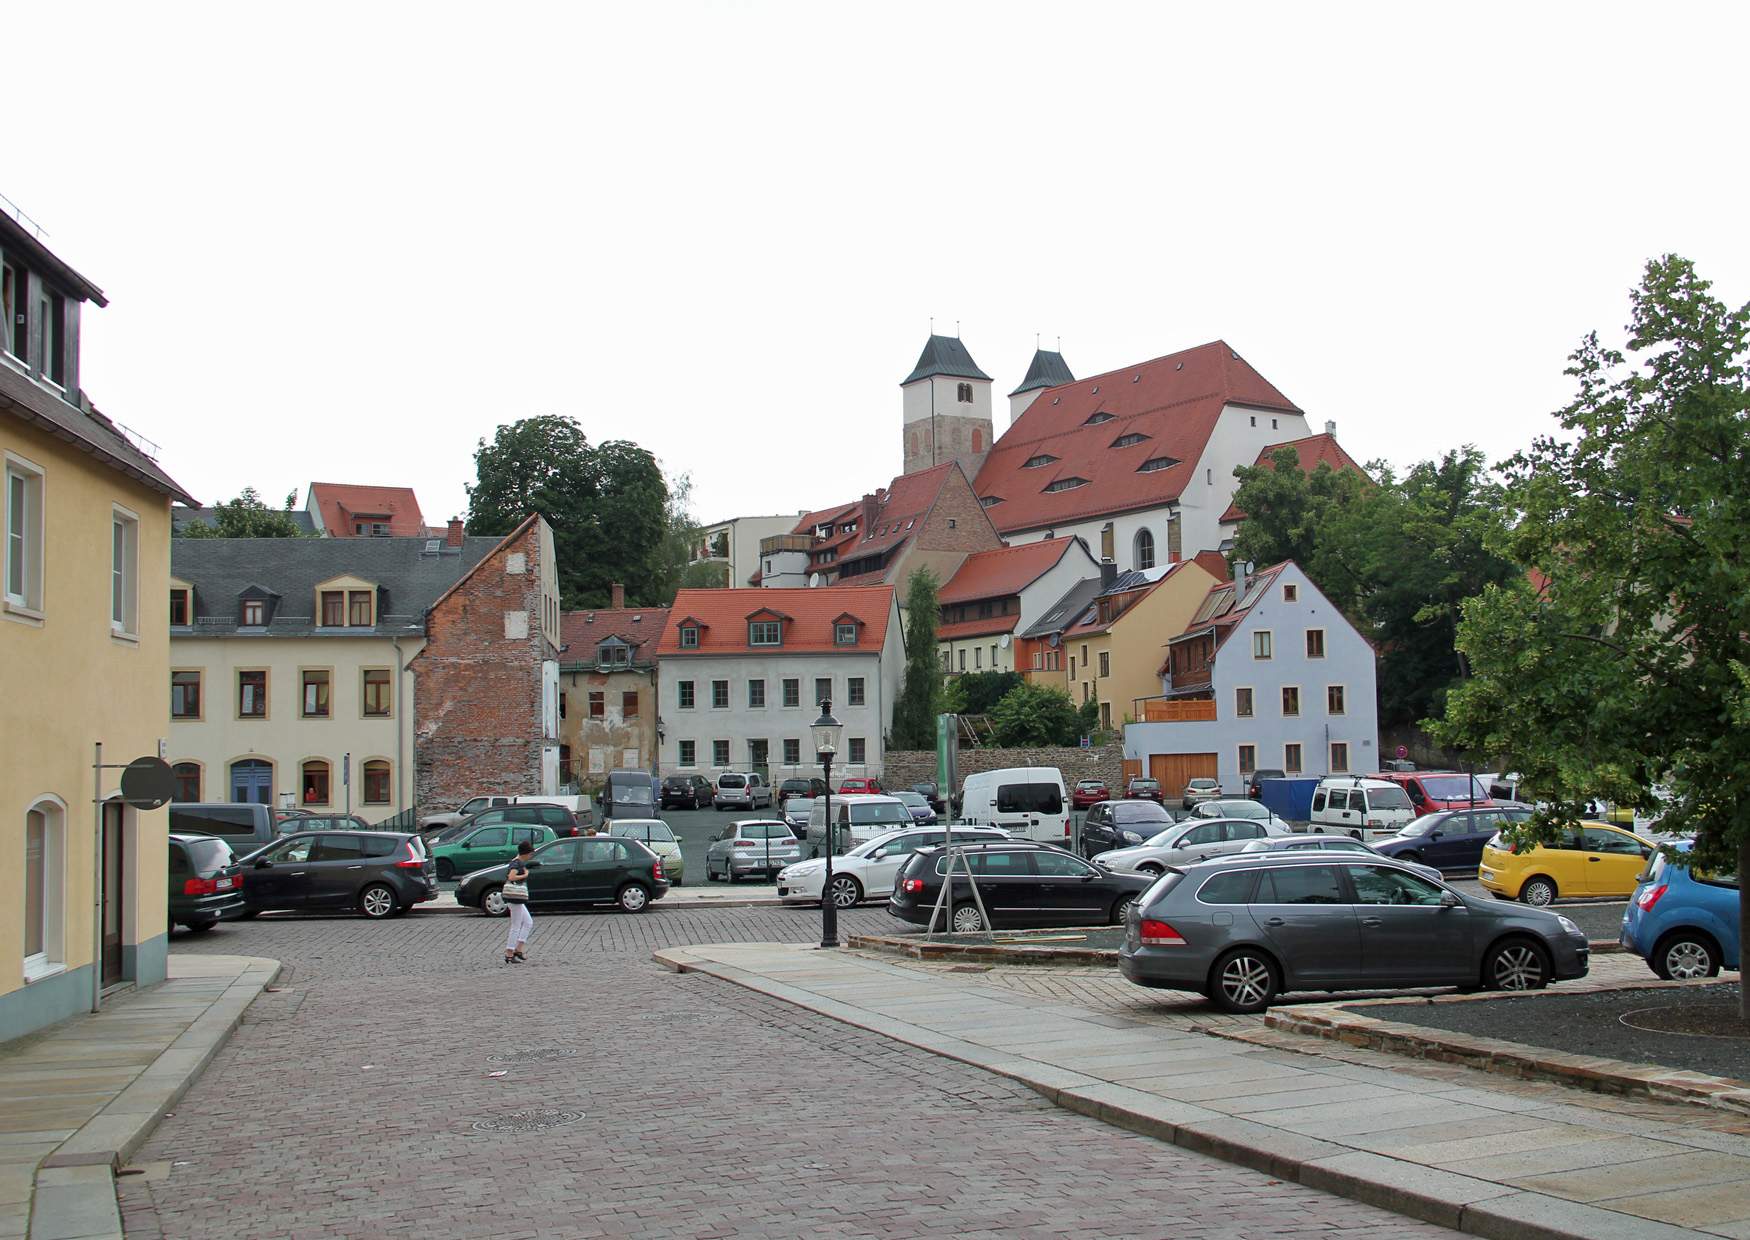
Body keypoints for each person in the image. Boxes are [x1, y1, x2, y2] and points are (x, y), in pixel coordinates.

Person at [504, 840, 536, 964]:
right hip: (515, 897)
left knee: (528, 922)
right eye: (530, 853)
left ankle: (518, 949)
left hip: (516, 897)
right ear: (525, 853)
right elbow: (511, 877)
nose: (531, 856)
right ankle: (509, 952)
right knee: (516, 926)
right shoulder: (516, 863)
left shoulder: (518, 862)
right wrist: (525, 875)